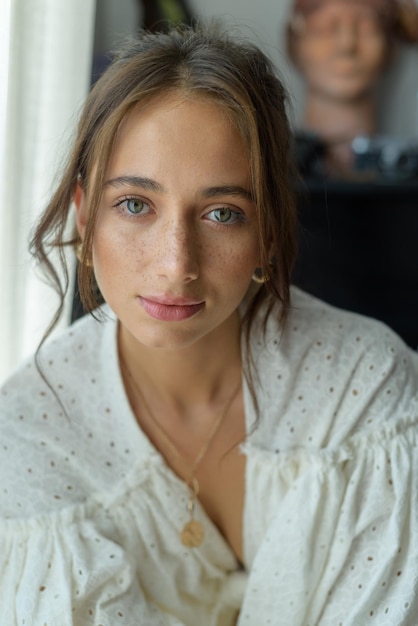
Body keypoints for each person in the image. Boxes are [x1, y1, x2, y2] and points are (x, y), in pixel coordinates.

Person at [1, 23, 417, 626]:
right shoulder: (26, 446)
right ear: (85, 217)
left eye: (223, 213)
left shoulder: (364, 389)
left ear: (269, 232)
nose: (177, 264)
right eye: (136, 205)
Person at [286, 0, 418, 174]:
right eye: (326, 30)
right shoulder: (275, 166)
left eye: (366, 30)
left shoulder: (404, 168)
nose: (347, 45)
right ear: (295, 46)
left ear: (390, 50)